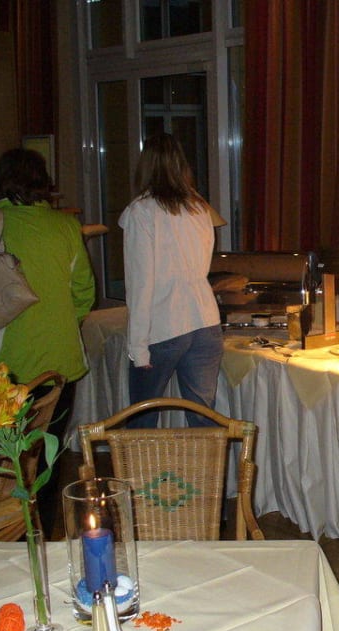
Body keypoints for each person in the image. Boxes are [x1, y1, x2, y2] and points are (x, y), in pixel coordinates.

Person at [0, 148, 96, 531]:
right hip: (59, 362)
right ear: (42, 183)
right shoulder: (65, 226)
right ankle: (41, 528)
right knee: (46, 456)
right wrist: (59, 322)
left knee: (2, 457)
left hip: (2, 365)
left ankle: (4, 534)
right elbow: (83, 293)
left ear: (0, 181)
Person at [119, 133, 223, 429]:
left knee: (141, 420)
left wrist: (138, 347)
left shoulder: (142, 212)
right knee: (204, 420)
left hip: (165, 326)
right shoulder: (199, 208)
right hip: (204, 321)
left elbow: (140, 285)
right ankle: (207, 477)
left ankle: (140, 476)